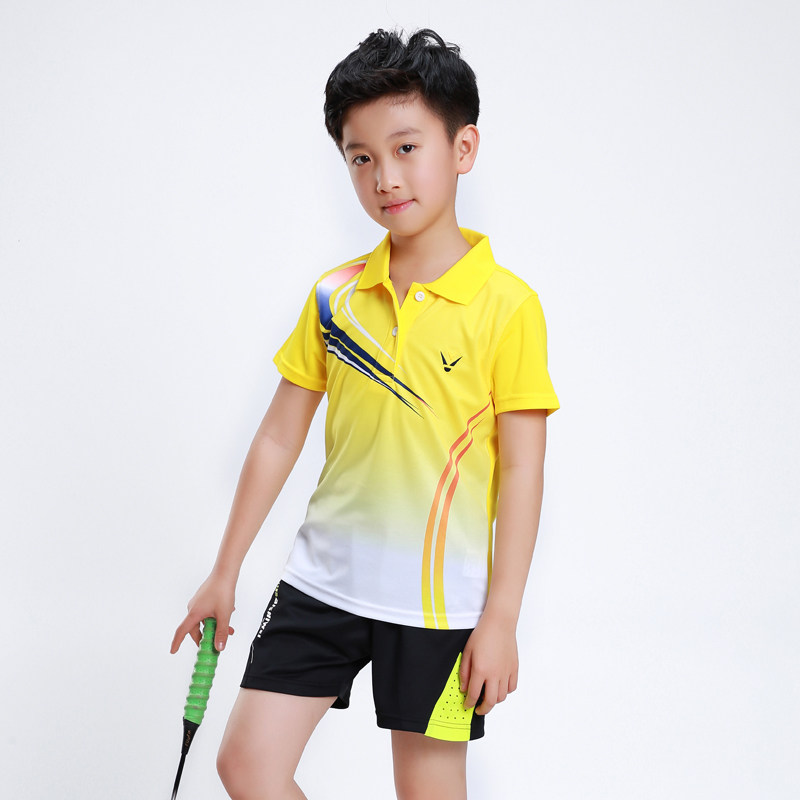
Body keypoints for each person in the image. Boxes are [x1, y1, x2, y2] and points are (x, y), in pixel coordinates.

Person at [171, 27, 560, 800]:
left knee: (429, 790)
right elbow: (278, 435)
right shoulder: (335, 296)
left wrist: (502, 617)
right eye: (361, 158)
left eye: (407, 148)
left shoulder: (507, 306)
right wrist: (224, 571)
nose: (385, 177)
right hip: (322, 582)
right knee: (246, 765)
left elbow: (523, 469)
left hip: (440, 607)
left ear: (463, 147)